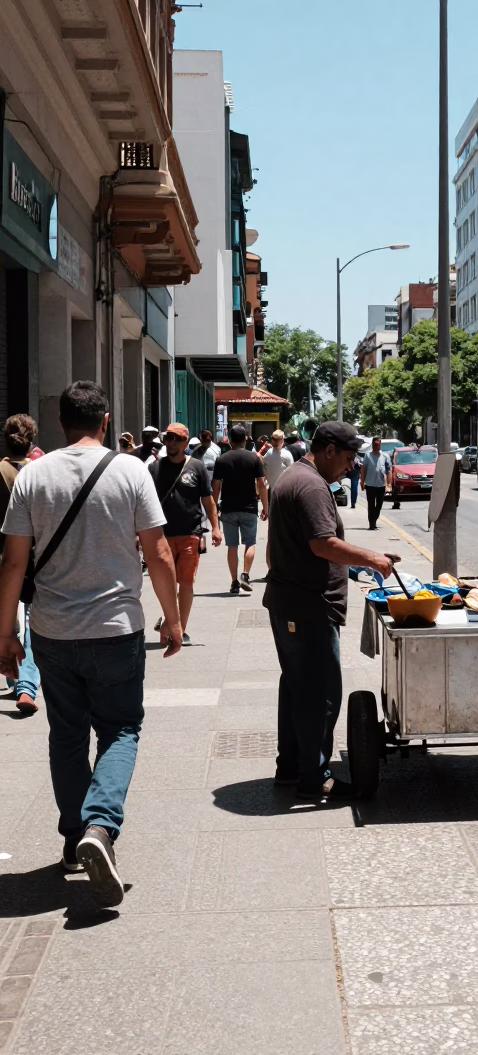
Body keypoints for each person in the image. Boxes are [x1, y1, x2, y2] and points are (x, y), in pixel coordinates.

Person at [0, 380, 182, 906]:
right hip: (116, 629)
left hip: (52, 630)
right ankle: (99, 827)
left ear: (61, 423)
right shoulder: (131, 471)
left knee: (66, 735)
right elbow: (159, 553)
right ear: (105, 421)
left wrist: (6, 632)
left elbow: (13, 562)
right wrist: (173, 620)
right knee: (121, 730)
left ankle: (72, 839)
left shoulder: (32, 475)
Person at [264, 420, 398, 799]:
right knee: (319, 692)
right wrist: (372, 559)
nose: (351, 466)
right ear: (329, 450)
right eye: (349, 458)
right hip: (309, 608)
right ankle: (315, 777)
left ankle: (291, 767)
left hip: (292, 603)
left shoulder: (294, 477)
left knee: (297, 687)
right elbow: (323, 543)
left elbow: (293, 548)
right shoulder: (311, 486)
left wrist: (352, 567)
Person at [149, 422, 222, 644]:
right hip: (162, 536)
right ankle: (169, 620)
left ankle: (180, 629)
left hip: (191, 533)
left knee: (187, 583)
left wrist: (216, 527)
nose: (170, 442)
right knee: (167, 584)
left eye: (176, 439)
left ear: (185, 442)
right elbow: (144, 503)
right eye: (167, 438)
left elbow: (208, 500)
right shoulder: (155, 468)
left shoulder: (196, 467)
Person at [0, 414, 41, 714]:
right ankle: (26, 686)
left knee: (7, 619)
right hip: (34, 557)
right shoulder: (42, 472)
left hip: (2, 556)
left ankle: (14, 678)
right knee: (30, 622)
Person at [212, 423, 268, 594]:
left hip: (228, 508)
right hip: (249, 507)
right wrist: (265, 507)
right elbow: (261, 484)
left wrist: (214, 509)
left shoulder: (222, 459)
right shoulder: (254, 459)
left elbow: (216, 487)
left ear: (230, 440)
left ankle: (234, 582)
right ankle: (245, 574)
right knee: (250, 543)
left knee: (232, 546)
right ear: (245, 440)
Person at [361, 436, 391, 530]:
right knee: (371, 505)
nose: (376, 446)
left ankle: (374, 518)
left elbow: (389, 471)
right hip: (370, 485)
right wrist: (362, 482)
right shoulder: (368, 456)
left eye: (378, 445)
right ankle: (372, 524)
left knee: (379, 505)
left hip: (381, 485)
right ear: (372, 445)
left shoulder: (385, 456)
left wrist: (389, 484)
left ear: (380, 445)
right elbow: (363, 469)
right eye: (374, 445)